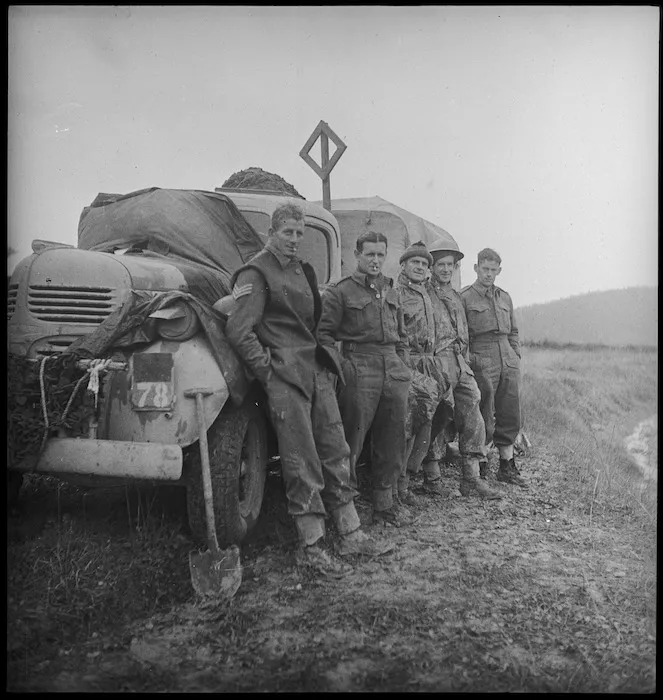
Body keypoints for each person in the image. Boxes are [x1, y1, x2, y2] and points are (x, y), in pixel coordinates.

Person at [224, 203, 392, 577]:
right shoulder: (256, 272)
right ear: (273, 232)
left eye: (300, 233)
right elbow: (238, 330)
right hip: (286, 377)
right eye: (288, 233)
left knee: (335, 448)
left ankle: (350, 530)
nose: (295, 240)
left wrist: (323, 363)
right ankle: (312, 544)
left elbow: (312, 324)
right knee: (301, 459)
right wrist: (268, 372)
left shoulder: (303, 270)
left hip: (314, 370)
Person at [317, 230, 415, 527]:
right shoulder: (341, 291)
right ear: (357, 255)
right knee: (352, 439)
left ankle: (384, 502)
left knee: (393, 436)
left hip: (392, 367)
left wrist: (404, 366)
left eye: (380, 255)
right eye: (369, 254)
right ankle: (344, 509)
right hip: (359, 366)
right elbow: (323, 335)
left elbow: (401, 336)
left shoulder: (392, 290)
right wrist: (343, 367)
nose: (375, 260)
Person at [420, 239, 502, 500]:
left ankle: (471, 477)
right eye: (441, 264)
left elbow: (462, 333)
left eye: (450, 265)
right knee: (439, 413)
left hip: (459, 362)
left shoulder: (456, 296)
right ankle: (431, 476)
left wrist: (465, 362)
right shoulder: (424, 294)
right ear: (432, 266)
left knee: (473, 403)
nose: (446, 270)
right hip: (436, 363)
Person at [460, 248, 527, 488]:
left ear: (499, 270)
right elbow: (462, 335)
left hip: (506, 357)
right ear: (476, 268)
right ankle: (481, 466)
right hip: (481, 357)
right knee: (484, 412)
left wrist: (515, 355)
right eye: (484, 269)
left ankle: (507, 467)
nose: (488, 274)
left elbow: (514, 331)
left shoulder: (504, 297)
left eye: (493, 270)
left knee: (510, 412)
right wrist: (470, 362)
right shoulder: (465, 297)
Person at [393, 241, 451, 502]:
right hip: (408, 364)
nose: (419, 267)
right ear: (404, 266)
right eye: (414, 262)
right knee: (407, 427)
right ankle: (398, 488)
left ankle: (410, 479)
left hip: (430, 365)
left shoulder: (426, 294)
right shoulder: (397, 294)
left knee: (426, 428)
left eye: (424, 264)